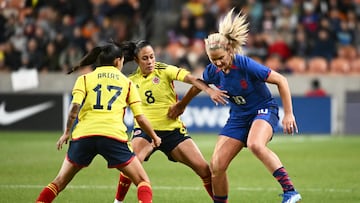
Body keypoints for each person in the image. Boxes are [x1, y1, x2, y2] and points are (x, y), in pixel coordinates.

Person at [168, 8, 302, 203]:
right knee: (217, 165)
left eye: (221, 58)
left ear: (229, 50)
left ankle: (290, 191)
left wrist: (288, 114)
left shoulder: (245, 64)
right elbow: (199, 84)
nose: (218, 63)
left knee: (255, 144)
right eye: (213, 60)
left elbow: (281, 80)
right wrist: (183, 104)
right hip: (238, 117)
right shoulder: (213, 70)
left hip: (263, 110)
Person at [35, 42, 161, 203]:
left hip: (84, 136)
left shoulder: (85, 79)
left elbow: (74, 107)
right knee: (143, 181)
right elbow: (140, 118)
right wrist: (154, 137)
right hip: (113, 136)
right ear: (117, 61)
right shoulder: (127, 83)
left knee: (58, 182)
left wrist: (67, 132)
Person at [113, 40, 228, 203]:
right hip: (146, 132)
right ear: (137, 60)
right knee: (131, 164)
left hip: (172, 131)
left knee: (204, 170)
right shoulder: (130, 81)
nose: (150, 61)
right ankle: (118, 202)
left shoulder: (164, 70)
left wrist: (209, 90)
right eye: (145, 58)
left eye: (152, 57)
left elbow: (191, 79)